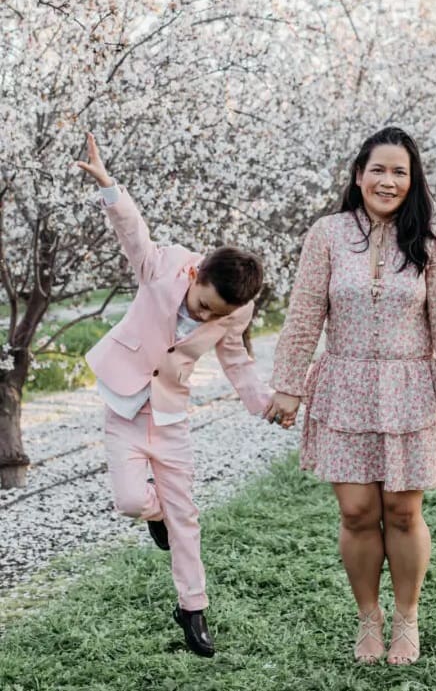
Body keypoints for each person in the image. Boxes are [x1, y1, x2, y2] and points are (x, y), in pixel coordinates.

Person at [263, 126, 436, 665]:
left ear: (413, 182)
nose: (388, 181)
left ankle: (407, 618)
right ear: (359, 175)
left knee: (404, 511)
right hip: (345, 385)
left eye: (400, 172)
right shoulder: (327, 234)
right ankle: (369, 617)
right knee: (358, 512)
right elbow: (303, 316)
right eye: (379, 170)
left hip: (410, 387)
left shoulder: (433, 243)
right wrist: (289, 386)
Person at [77, 133, 271, 657]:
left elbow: (237, 361)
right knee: (131, 501)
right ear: (198, 272)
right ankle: (155, 517)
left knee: (187, 516)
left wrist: (264, 403)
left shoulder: (235, 311)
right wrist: (109, 187)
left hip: (170, 416)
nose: (206, 317)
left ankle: (193, 608)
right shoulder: (164, 265)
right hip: (124, 406)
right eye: (204, 305)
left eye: (217, 314)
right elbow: (132, 233)